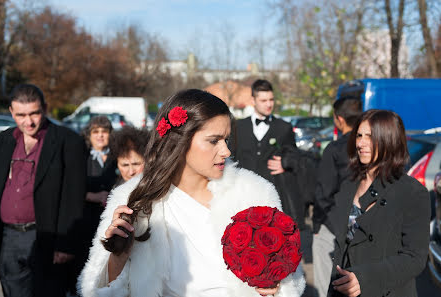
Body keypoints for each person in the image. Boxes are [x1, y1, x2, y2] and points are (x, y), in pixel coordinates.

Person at [78, 89, 306, 297]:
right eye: (214, 141)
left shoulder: (255, 193)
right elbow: (96, 290)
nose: (226, 151)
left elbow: (289, 282)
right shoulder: (131, 199)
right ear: (181, 141)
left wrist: (275, 288)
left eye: (226, 139)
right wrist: (118, 253)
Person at [0, 84, 86, 297]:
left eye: (34, 113)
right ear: (11, 112)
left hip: (47, 237)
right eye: (21, 115)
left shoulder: (68, 141)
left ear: (44, 108)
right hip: (7, 238)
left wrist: (65, 244)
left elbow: (73, 196)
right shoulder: (2, 141)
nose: (29, 122)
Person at [327, 110, 430, 297]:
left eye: (370, 136)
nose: (361, 143)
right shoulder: (349, 183)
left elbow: (415, 258)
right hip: (342, 289)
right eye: (359, 135)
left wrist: (365, 278)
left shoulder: (411, 192)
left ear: (389, 139)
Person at [229, 79, 304, 229]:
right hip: (243, 195)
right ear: (253, 100)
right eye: (263, 100)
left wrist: (285, 163)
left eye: (271, 100)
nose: (269, 104)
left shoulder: (284, 128)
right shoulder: (238, 127)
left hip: (273, 195)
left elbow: (294, 155)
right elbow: (230, 158)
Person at [312, 97, 362, 297]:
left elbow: (323, 193)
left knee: (326, 281)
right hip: (365, 221)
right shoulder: (371, 146)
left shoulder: (334, 149)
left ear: (339, 119)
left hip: (335, 222)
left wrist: (317, 226)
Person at [69, 116, 118, 294]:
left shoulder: (117, 157)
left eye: (104, 132)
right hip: (86, 218)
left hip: (110, 219)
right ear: (88, 135)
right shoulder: (81, 157)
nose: (100, 136)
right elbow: (70, 187)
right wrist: (92, 196)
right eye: (95, 132)